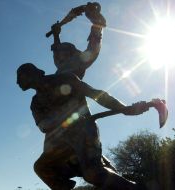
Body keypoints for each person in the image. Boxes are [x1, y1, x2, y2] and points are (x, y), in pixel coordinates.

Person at [17, 63, 152, 190]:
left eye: (20, 76)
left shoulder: (66, 79)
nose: (17, 82)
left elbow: (96, 94)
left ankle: (133, 188)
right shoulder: (36, 102)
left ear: (32, 73)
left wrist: (123, 108)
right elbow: (43, 126)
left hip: (84, 131)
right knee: (42, 167)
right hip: (61, 143)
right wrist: (62, 118)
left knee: (93, 174)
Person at [50, 2, 106, 79]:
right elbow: (56, 48)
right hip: (56, 86)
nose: (59, 55)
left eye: (63, 51)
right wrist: (56, 34)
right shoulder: (60, 63)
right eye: (60, 52)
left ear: (72, 52)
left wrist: (97, 24)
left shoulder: (79, 61)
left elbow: (93, 50)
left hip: (72, 85)